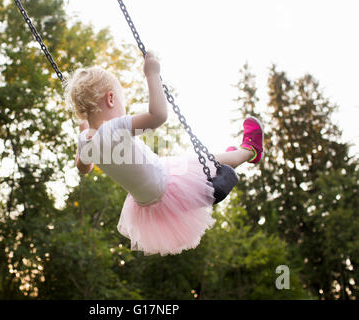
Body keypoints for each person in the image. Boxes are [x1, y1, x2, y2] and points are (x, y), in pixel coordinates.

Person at [65, 51, 264, 256]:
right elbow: (158, 116)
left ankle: (225, 167)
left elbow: (83, 168)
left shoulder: (86, 142)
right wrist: (152, 74)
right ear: (111, 99)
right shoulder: (115, 128)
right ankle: (249, 150)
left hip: (145, 205)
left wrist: (83, 132)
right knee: (206, 161)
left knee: (208, 162)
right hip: (168, 182)